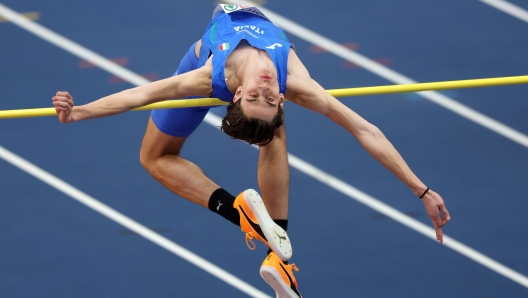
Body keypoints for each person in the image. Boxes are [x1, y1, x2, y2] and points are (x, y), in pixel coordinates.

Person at [52, 4, 450, 298]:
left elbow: (367, 132)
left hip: (213, 55)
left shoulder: (231, 81)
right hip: (209, 58)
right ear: (238, 93)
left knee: (266, 134)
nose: (266, 85)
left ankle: (275, 252)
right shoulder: (282, 83)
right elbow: (139, 94)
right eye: (266, 94)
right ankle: (245, 217)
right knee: (156, 157)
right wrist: (81, 112)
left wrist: (422, 190)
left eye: (265, 94)